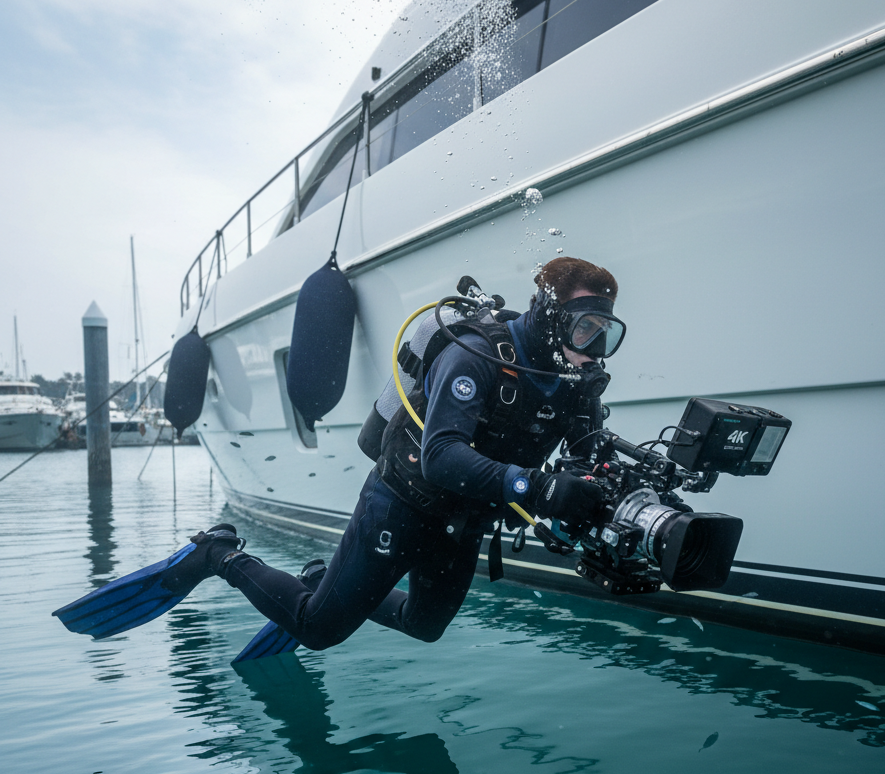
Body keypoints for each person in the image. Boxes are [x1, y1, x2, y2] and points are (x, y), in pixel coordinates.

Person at [59, 257, 627, 652]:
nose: (593, 346)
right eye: (585, 328)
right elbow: (442, 458)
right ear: (553, 314)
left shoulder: (573, 380)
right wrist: (542, 490)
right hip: (402, 503)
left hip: (462, 521)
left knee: (425, 626)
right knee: (317, 629)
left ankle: (315, 573)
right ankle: (219, 554)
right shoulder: (476, 356)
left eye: (604, 331)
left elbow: (587, 452)